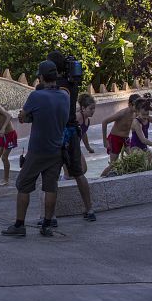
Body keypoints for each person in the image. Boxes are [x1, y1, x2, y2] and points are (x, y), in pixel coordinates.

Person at [2, 60, 69, 238]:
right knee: (50, 187)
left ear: (41, 78)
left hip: (38, 150)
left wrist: (25, 116)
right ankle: (47, 226)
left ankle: (19, 225)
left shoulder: (36, 97)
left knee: (23, 185)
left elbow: (23, 116)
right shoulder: (65, 96)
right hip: (57, 150)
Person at [40, 51, 96, 224]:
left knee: (52, 176)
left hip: (59, 132)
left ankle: (50, 217)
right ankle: (90, 210)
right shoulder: (72, 83)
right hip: (73, 131)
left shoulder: (57, 86)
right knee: (78, 173)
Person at [100, 93, 141, 177]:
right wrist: (105, 141)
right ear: (130, 104)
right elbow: (104, 122)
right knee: (113, 164)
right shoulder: (122, 113)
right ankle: (100, 178)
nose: (138, 108)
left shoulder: (135, 114)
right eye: (136, 106)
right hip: (115, 139)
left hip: (126, 139)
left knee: (134, 159)